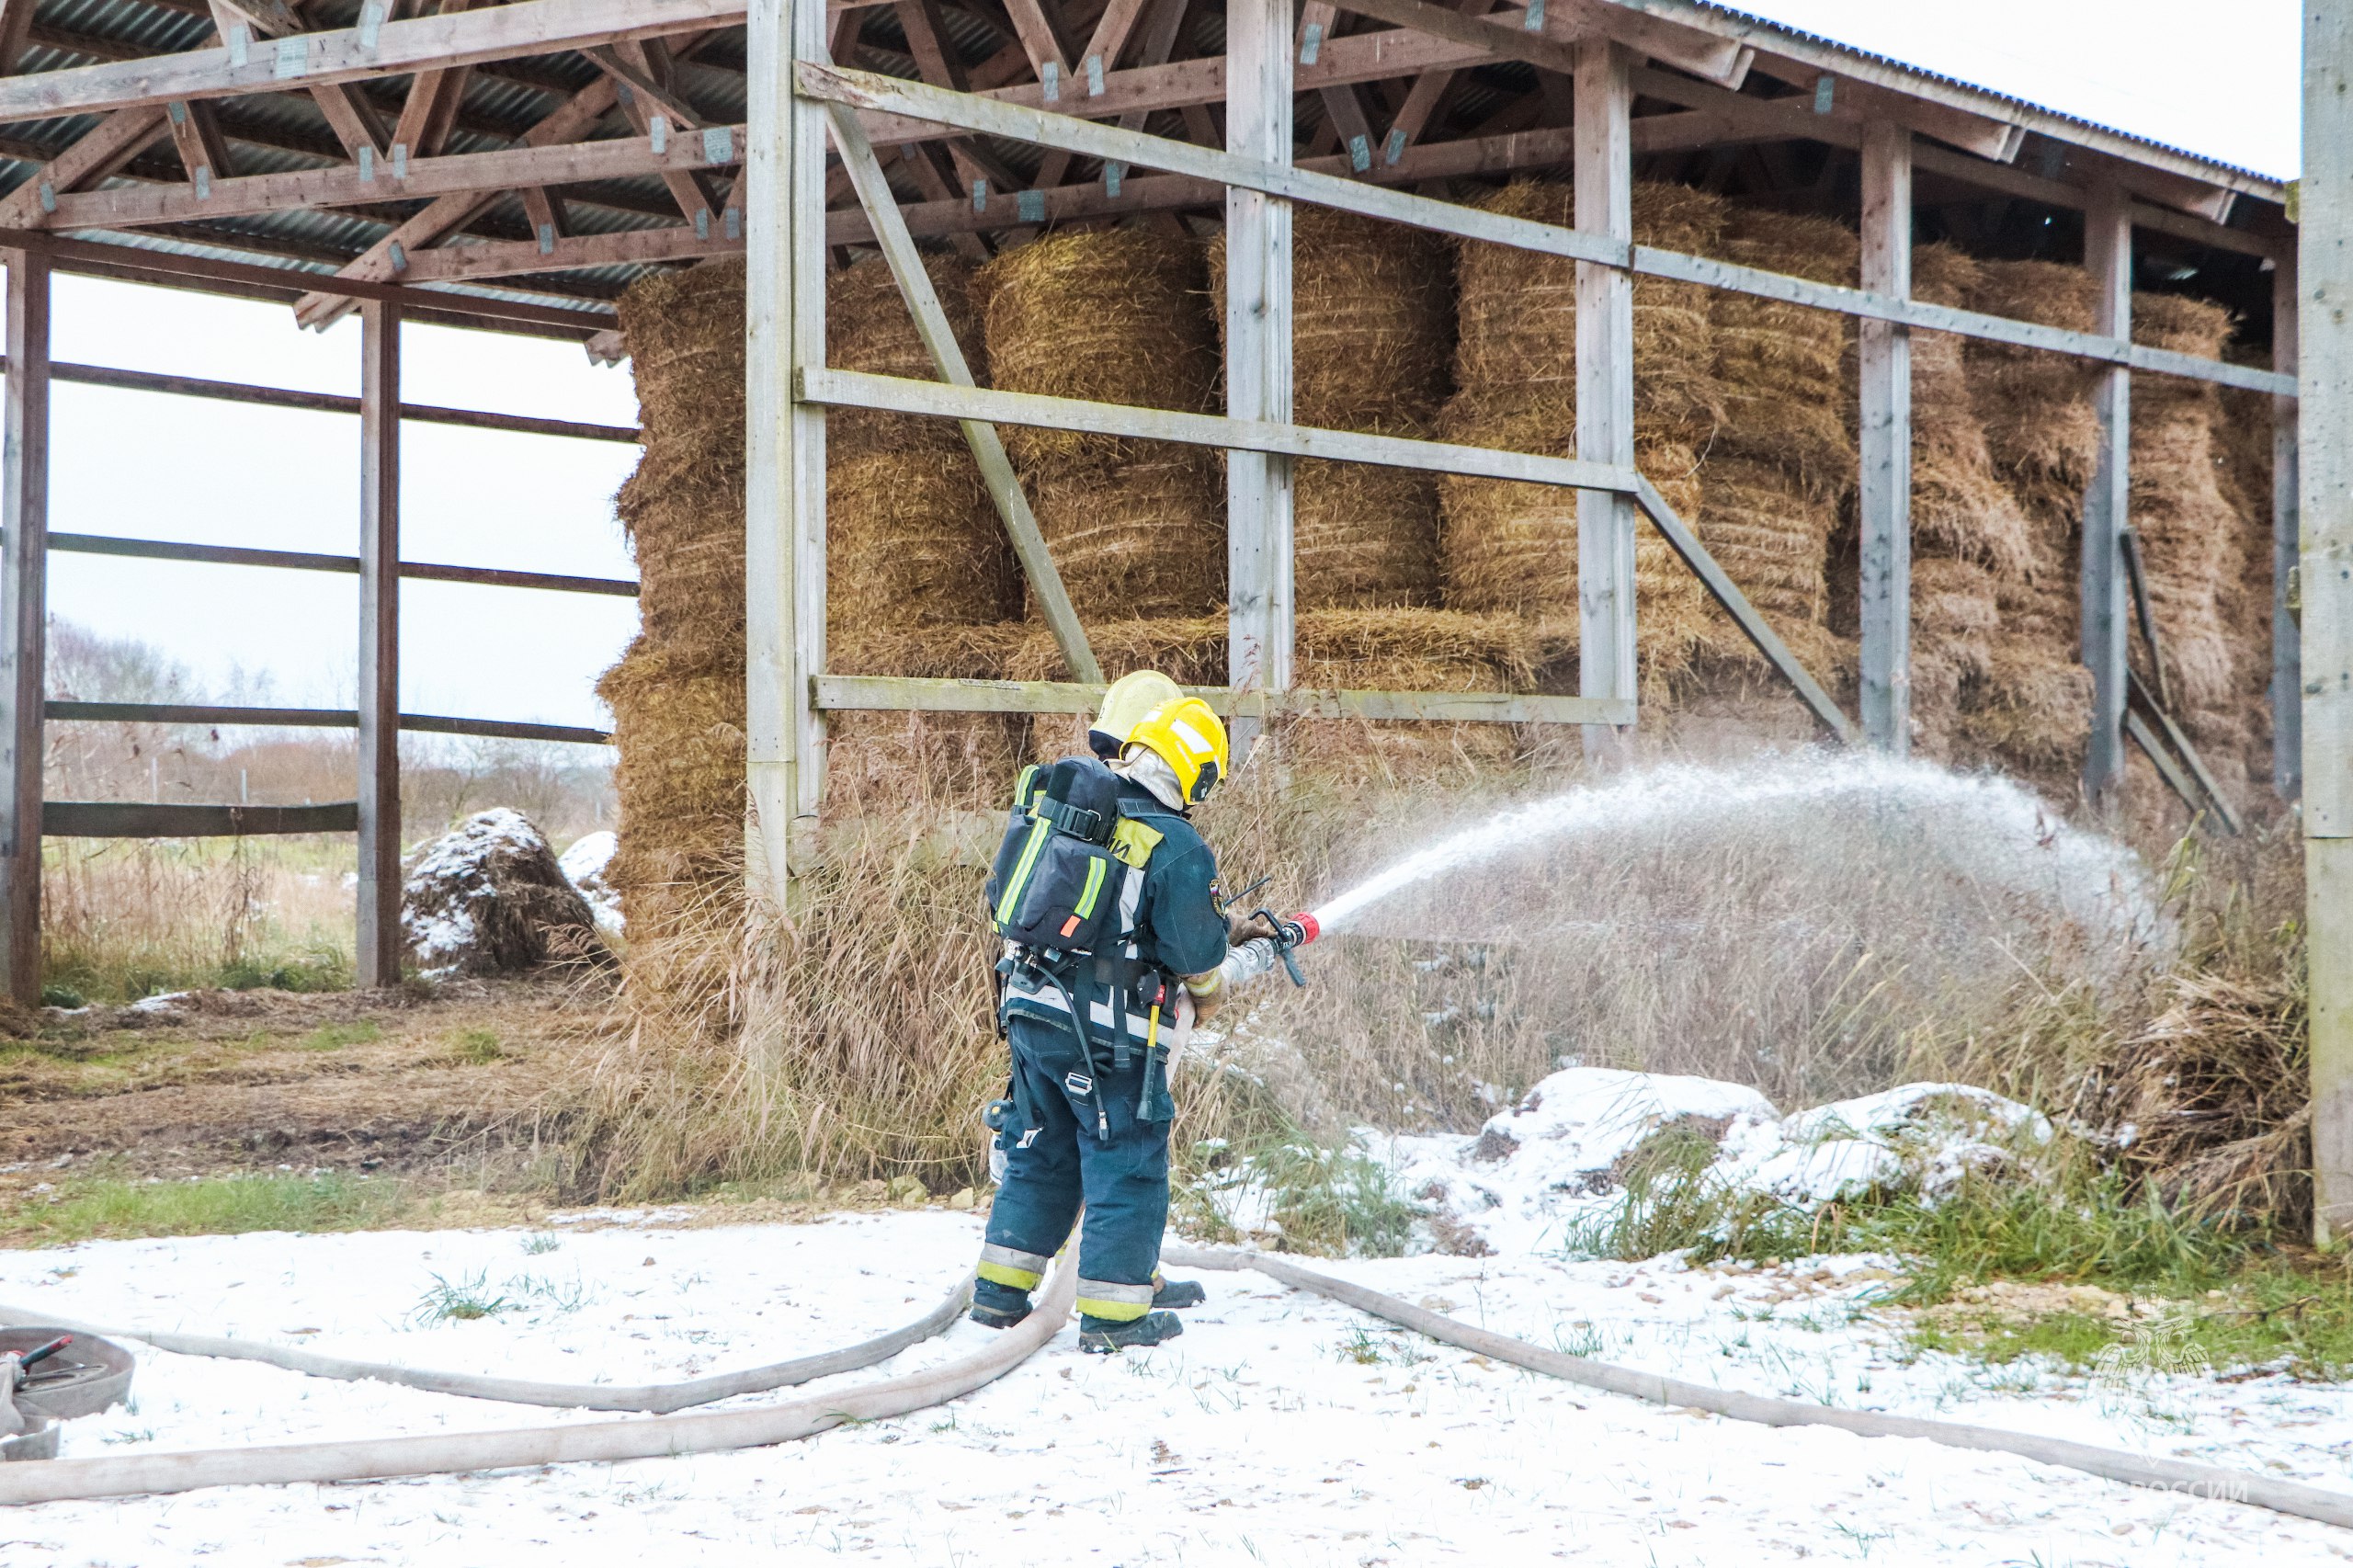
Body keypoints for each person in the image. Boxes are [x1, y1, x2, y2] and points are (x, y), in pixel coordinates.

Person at [972, 687, 1271, 1353]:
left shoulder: (1074, 818)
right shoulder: (1176, 841)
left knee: (1038, 1150)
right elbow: (1193, 954)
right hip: (1108, 1037)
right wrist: (1214, 980)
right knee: (1126, 1162)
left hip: (1028, 1012)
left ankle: (997, 1295)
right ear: (1195, 772)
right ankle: (1114, 1319)